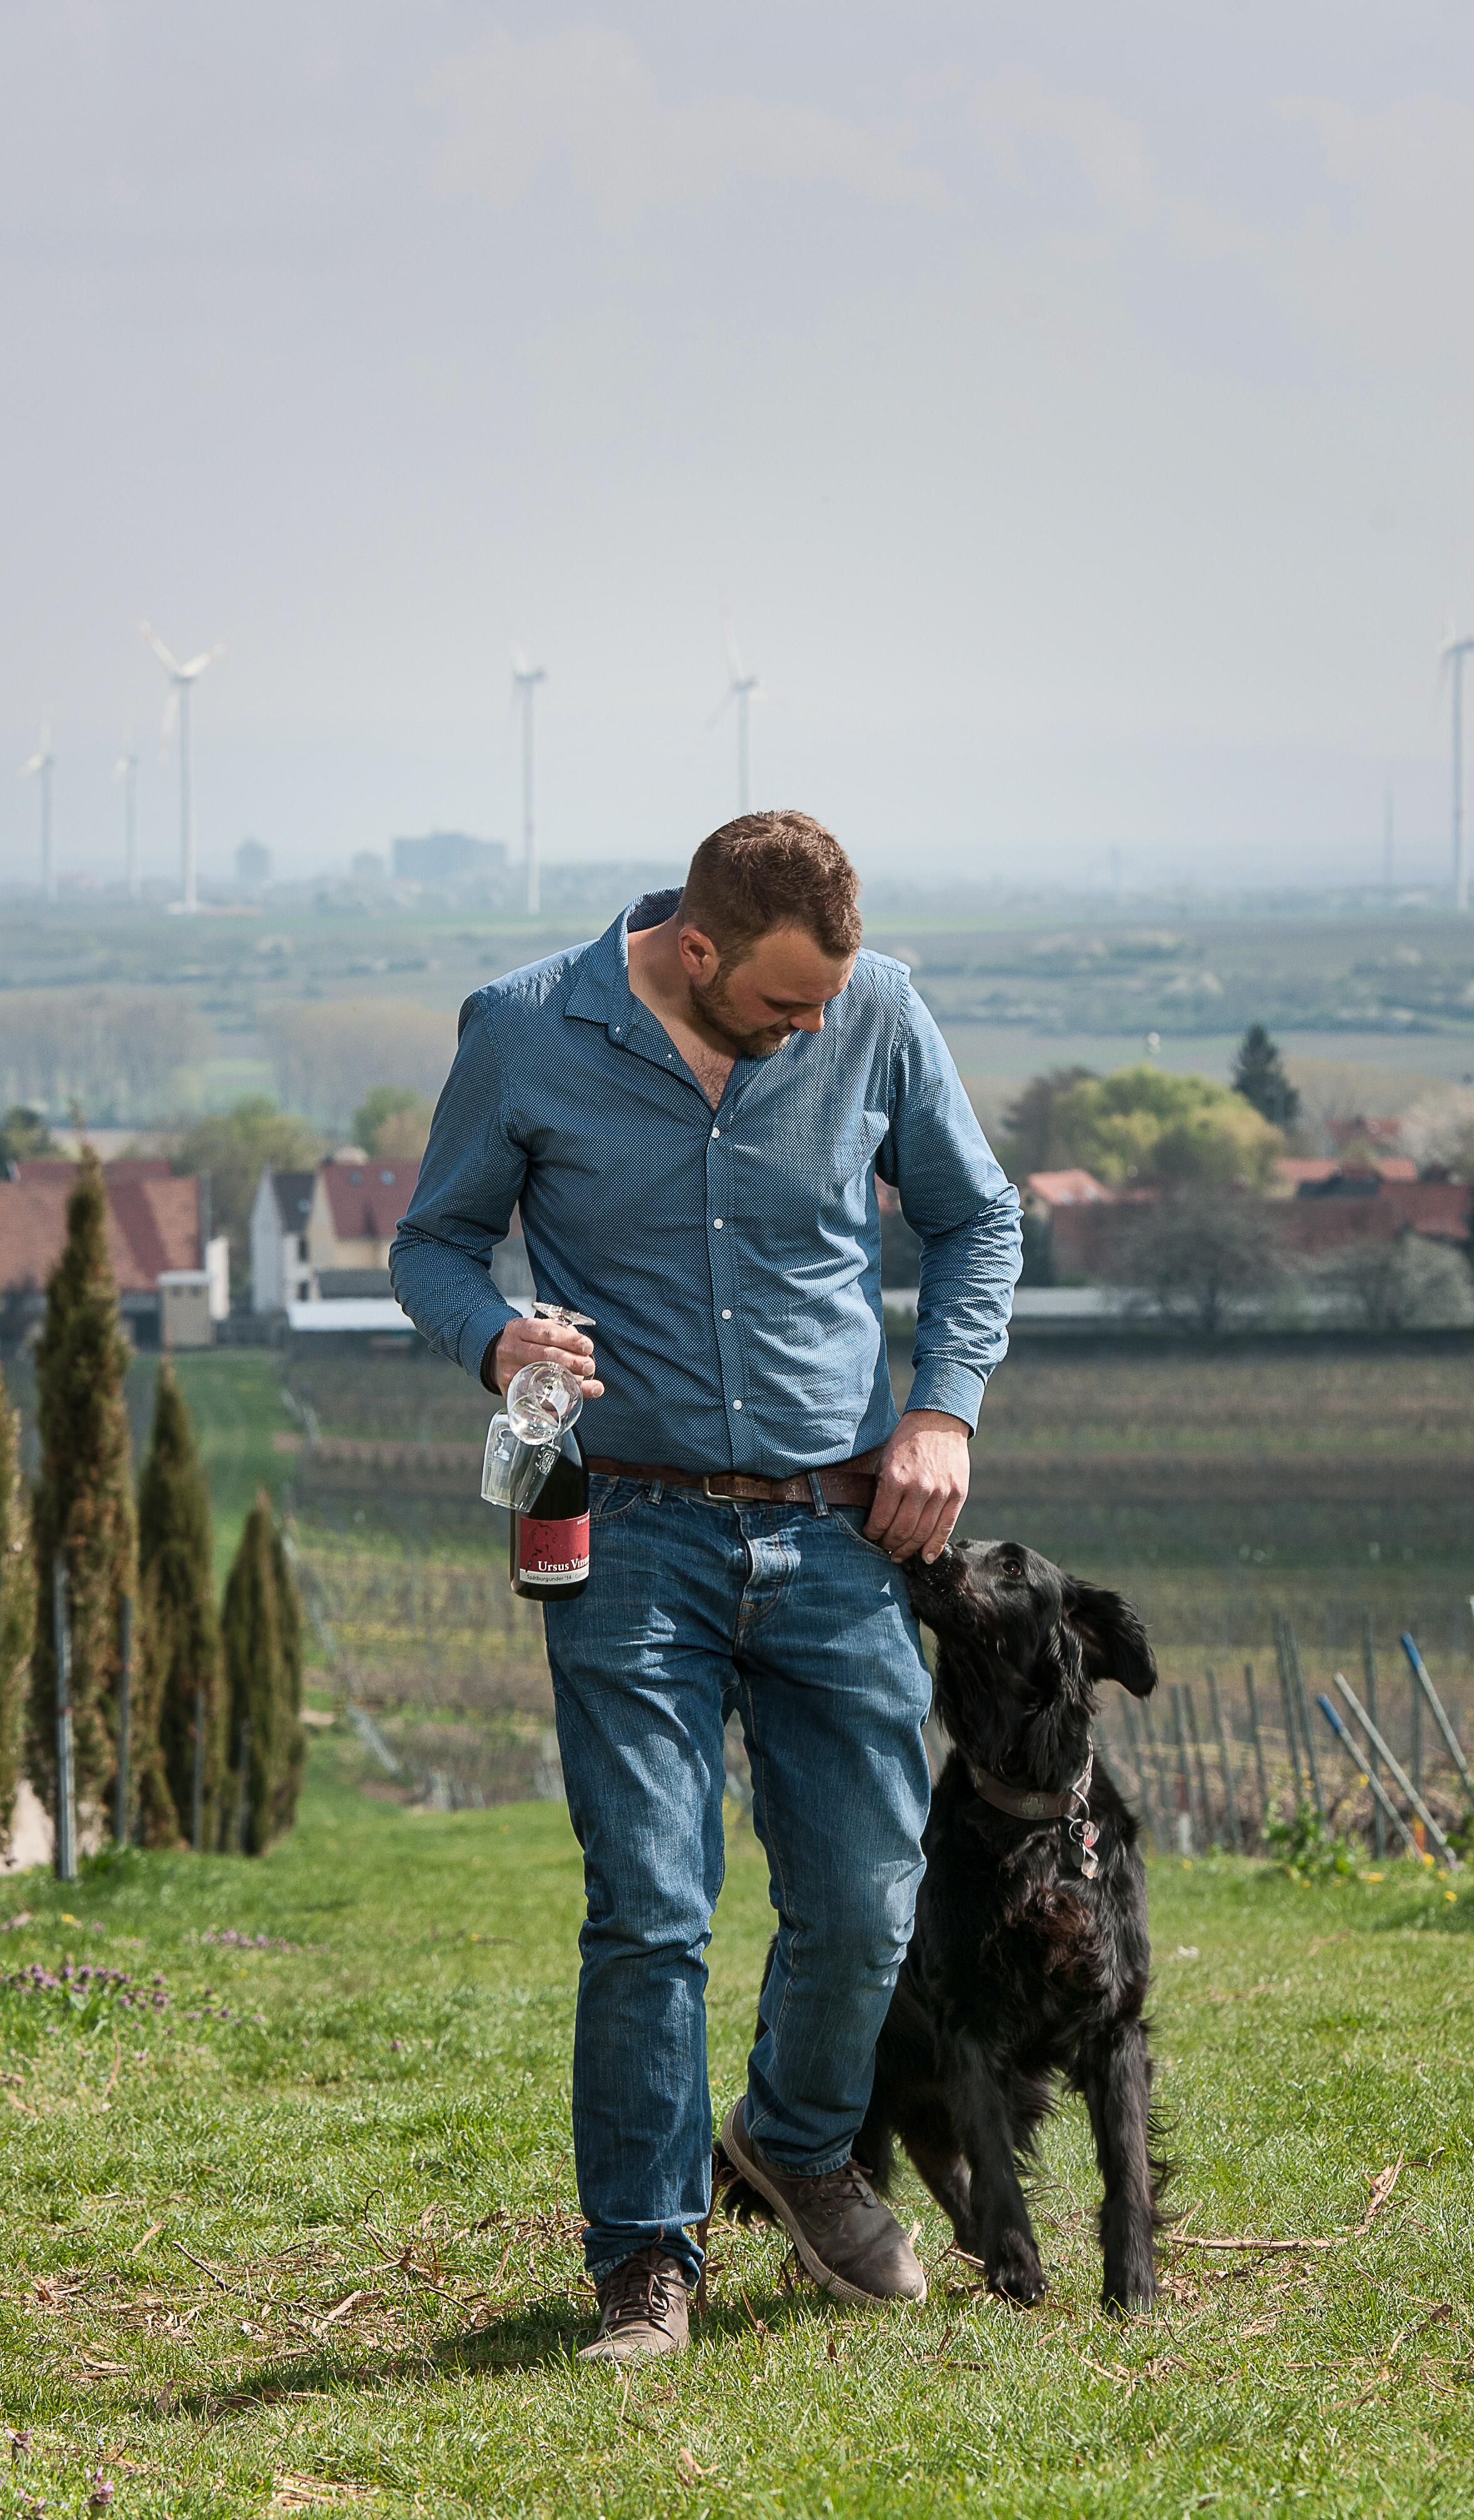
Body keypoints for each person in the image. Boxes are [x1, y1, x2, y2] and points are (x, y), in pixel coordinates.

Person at [389, 811, 1020, 2362]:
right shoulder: (528, 1030)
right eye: (784, 1005)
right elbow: (432, 1247)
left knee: (871, 1897)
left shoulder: (877, 1011)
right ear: (696, 949)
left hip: (839, 1532)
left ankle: (793, 2146)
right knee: (654, 1907)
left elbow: (974, 1215)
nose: (814, 1030)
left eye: (827, 1004)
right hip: (632, 1536)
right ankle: (644, 2259)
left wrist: (940, 1411)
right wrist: (497, 1338)